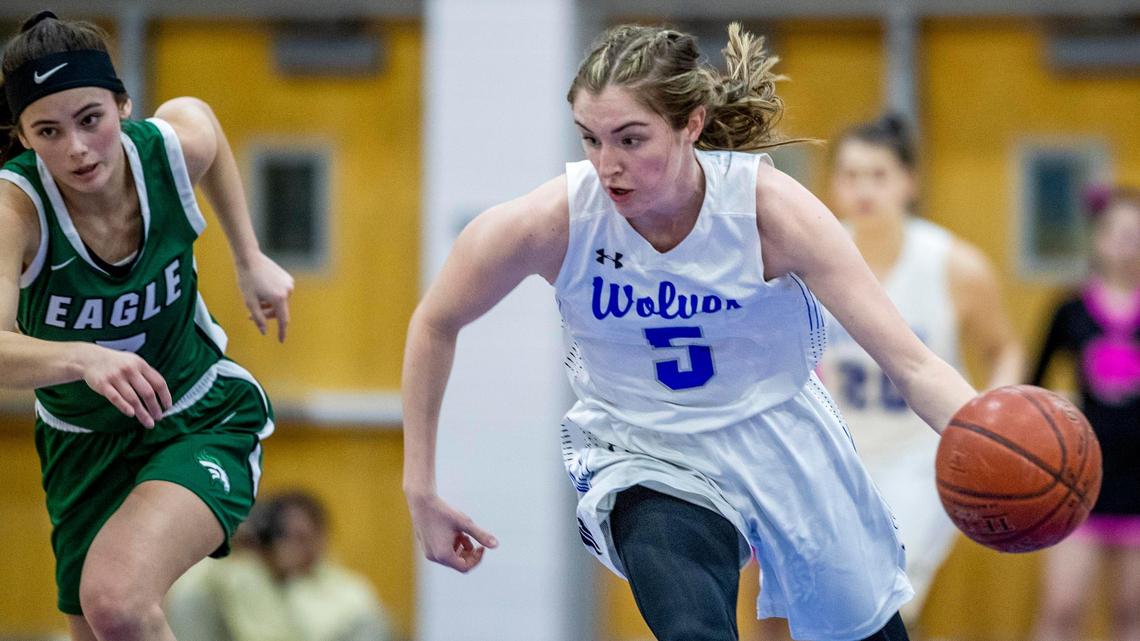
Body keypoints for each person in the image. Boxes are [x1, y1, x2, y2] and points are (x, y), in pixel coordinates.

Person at [402, 23, 978, 641]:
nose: (608, 164)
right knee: (692, 629)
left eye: (631, 139)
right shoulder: (553, 221)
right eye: (591, 139)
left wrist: (989, 436)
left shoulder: (770, 212)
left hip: (779, 435)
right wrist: (420, 487)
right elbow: (436, 320)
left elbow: (912, 365)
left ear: (692, 125)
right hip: (648, 450)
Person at [0, 11, 293, 641]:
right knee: (100, 626)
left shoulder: (167, 152)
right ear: (22, 136)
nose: (76, 149)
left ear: (123, 105)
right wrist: (83, 357)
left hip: (195, 411)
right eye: (48, 130)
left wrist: (249, 257)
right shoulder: (13, 211)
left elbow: (202, 120)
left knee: (116, 600)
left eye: (91, 120)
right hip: (80, 441)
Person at [818, 114, 1023, 622]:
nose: (863, 189)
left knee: (882, 598)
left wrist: (990, 422)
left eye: (878, 174)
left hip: (922, 454)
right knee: (818, 606)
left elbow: (1004, 348)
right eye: (850, 174)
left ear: (908, 182)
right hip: (835, 455)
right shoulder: (812, 255)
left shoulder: (955, 265)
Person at [1030, 186, 1140, 641]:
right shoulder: (1069, 310)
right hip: (1081, 480)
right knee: (1062, 607)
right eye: (1118, 233)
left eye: (1136, 234)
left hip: (1139, 477)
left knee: (1131, 612)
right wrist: (1061, 409)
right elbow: (1031, 387)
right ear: (1097, 238)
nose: (1127, 243)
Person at [166, 491, 395, 641]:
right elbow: (186, 595)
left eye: (302, 537)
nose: (292, 546)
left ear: (321, 537)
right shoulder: (238, 575)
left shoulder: (345, 588)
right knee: (191, 604)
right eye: (284, 535)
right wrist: (227, 543)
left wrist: (291, 582)